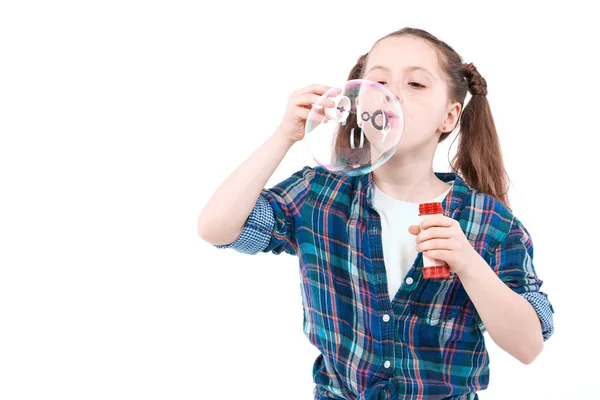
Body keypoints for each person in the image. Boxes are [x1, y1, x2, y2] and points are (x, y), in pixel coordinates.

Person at [197, 27, 554, 400]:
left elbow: (528, 347)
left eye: (415, 84)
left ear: (448, 117)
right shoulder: (320, 194)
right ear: (358, 104)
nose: (392, 94)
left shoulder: (489, 221)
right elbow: (215, 227)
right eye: (378, 81)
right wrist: (285, 135)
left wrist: (468, 262)